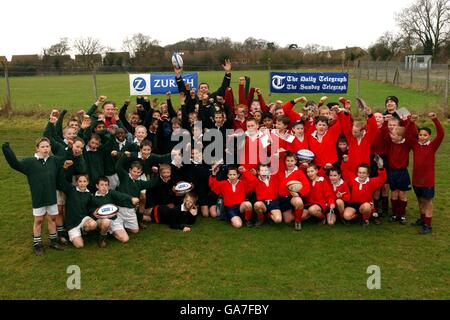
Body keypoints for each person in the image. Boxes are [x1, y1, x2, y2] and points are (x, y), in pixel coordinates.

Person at [2, 138, 68, 255]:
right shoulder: (29, 162)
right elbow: (14, 164)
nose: (46, 149)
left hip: (51, 196)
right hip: (38, 197)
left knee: (52, 219)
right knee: (39, 220)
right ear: (37, 148)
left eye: (47, 146)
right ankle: (37, 244)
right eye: (43, 147)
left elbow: (65, 156)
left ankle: (54, 241)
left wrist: (70, 149)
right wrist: (6, 149)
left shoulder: (53, 160)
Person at [407, 113, 444, 234]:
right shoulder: (415, 145)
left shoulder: (433, 146)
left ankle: (428, 225)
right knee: (420, 200)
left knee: (427, 202)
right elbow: (407, 135)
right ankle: (422, 220)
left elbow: (441, 133)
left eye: (425, 135)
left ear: (429, 136)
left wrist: (434, 119)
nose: (422, 137)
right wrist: (411, 122)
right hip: (416, 179)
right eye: (420, 135)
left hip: (427, 180)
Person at [89, 176, 139, 247]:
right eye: (102, 185)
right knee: (106, 222)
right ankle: (102, 238)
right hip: (102, 220)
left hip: (114, 219)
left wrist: (131, 198)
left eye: (106, 185)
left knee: (125, 239)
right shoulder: (93, 197)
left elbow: (121, 196)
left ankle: (110, 231)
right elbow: (90, 209)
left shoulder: (111, 193)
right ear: (97, 186)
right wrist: (93, 213)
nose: (104, 187)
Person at [341, 159, 387, 227]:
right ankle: (359, 216)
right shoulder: (353, 180)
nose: (361, 175)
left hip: (365, 204)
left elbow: (382, 179)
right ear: (357, 173)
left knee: (367, 206)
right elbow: (345, 171)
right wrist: (344, 162)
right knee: (346, 216)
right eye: (360, 172)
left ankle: (365, 219)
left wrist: (381, 168)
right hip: (353, 204)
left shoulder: (371, 182)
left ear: (368, 174)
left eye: (364, 173)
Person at [276, 151, 311, 231]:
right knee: (287, 220)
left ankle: (298, 221)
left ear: (295, 161)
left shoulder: (299, 172)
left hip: (293, 197)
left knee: (298, 201)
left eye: (292, 161)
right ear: (285, 161)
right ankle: (302, 212)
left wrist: (298, 193)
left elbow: (306, 187)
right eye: (288, 161)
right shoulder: (281, 172)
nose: (290, 163)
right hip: (283, 199)